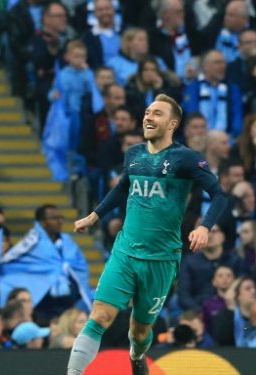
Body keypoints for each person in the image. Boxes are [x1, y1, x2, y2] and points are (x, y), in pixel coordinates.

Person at [68, 94, 228, 375]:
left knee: (140, 332)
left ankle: (136, 355)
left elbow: (218, 195)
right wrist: (95, 215)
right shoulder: (134, 154)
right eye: (147, 112)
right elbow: (122, 187)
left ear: (172, 124)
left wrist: (204, 226)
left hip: (161, 259)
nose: (148, 117)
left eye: (157, 114)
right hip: (125, 252)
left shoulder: (185, 158)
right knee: (101, 316)